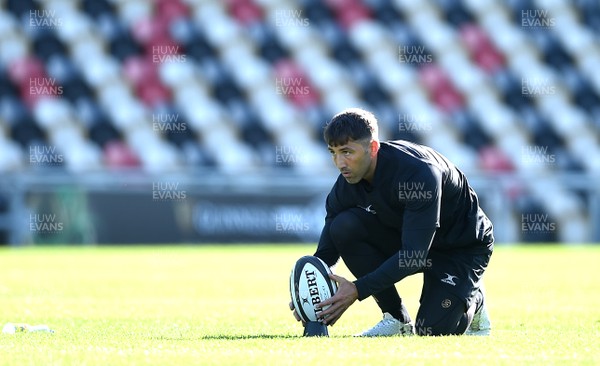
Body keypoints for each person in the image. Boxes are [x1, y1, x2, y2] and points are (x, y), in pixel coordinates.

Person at [289, 108, 494, 336]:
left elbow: (413, 257)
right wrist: (308, 293)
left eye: (347, 152)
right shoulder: (347, 183)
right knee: (343, 226)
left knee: (433, 331)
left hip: (460, 246)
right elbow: (326, 252)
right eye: (333, 153)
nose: (340, 162)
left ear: (373, 147)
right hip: (412, 239)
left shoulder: (419, 174)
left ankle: (474, 297)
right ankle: (396, 319)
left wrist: (357, 289)